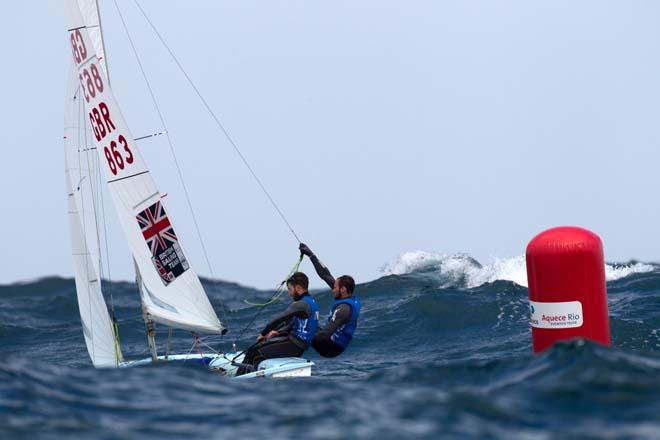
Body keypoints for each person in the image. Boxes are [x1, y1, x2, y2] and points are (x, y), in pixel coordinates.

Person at [236, 272, 319, 376]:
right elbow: (294, 324)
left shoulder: (301, 304)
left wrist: (263, 333)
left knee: (254, 353)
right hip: (294, 342)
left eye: (290, 289)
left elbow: (278, 319)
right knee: (256, 348)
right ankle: (249, 373)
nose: (289, 293)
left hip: (294, 346)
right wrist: (277, 332)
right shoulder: (310, 301)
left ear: (298, 288)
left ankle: (239, 379)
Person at [299, 243, 361, 358]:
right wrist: (311, 255)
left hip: (331, 347)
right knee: (303, 318)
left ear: (343, 289)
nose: (333, 290)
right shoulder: (346, 296)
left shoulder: (343, 309)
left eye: (335, 288)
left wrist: (302, 335)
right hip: (331, 340)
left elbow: (324, 336)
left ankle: (289, 354)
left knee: (298, 324)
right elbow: (325, 274)